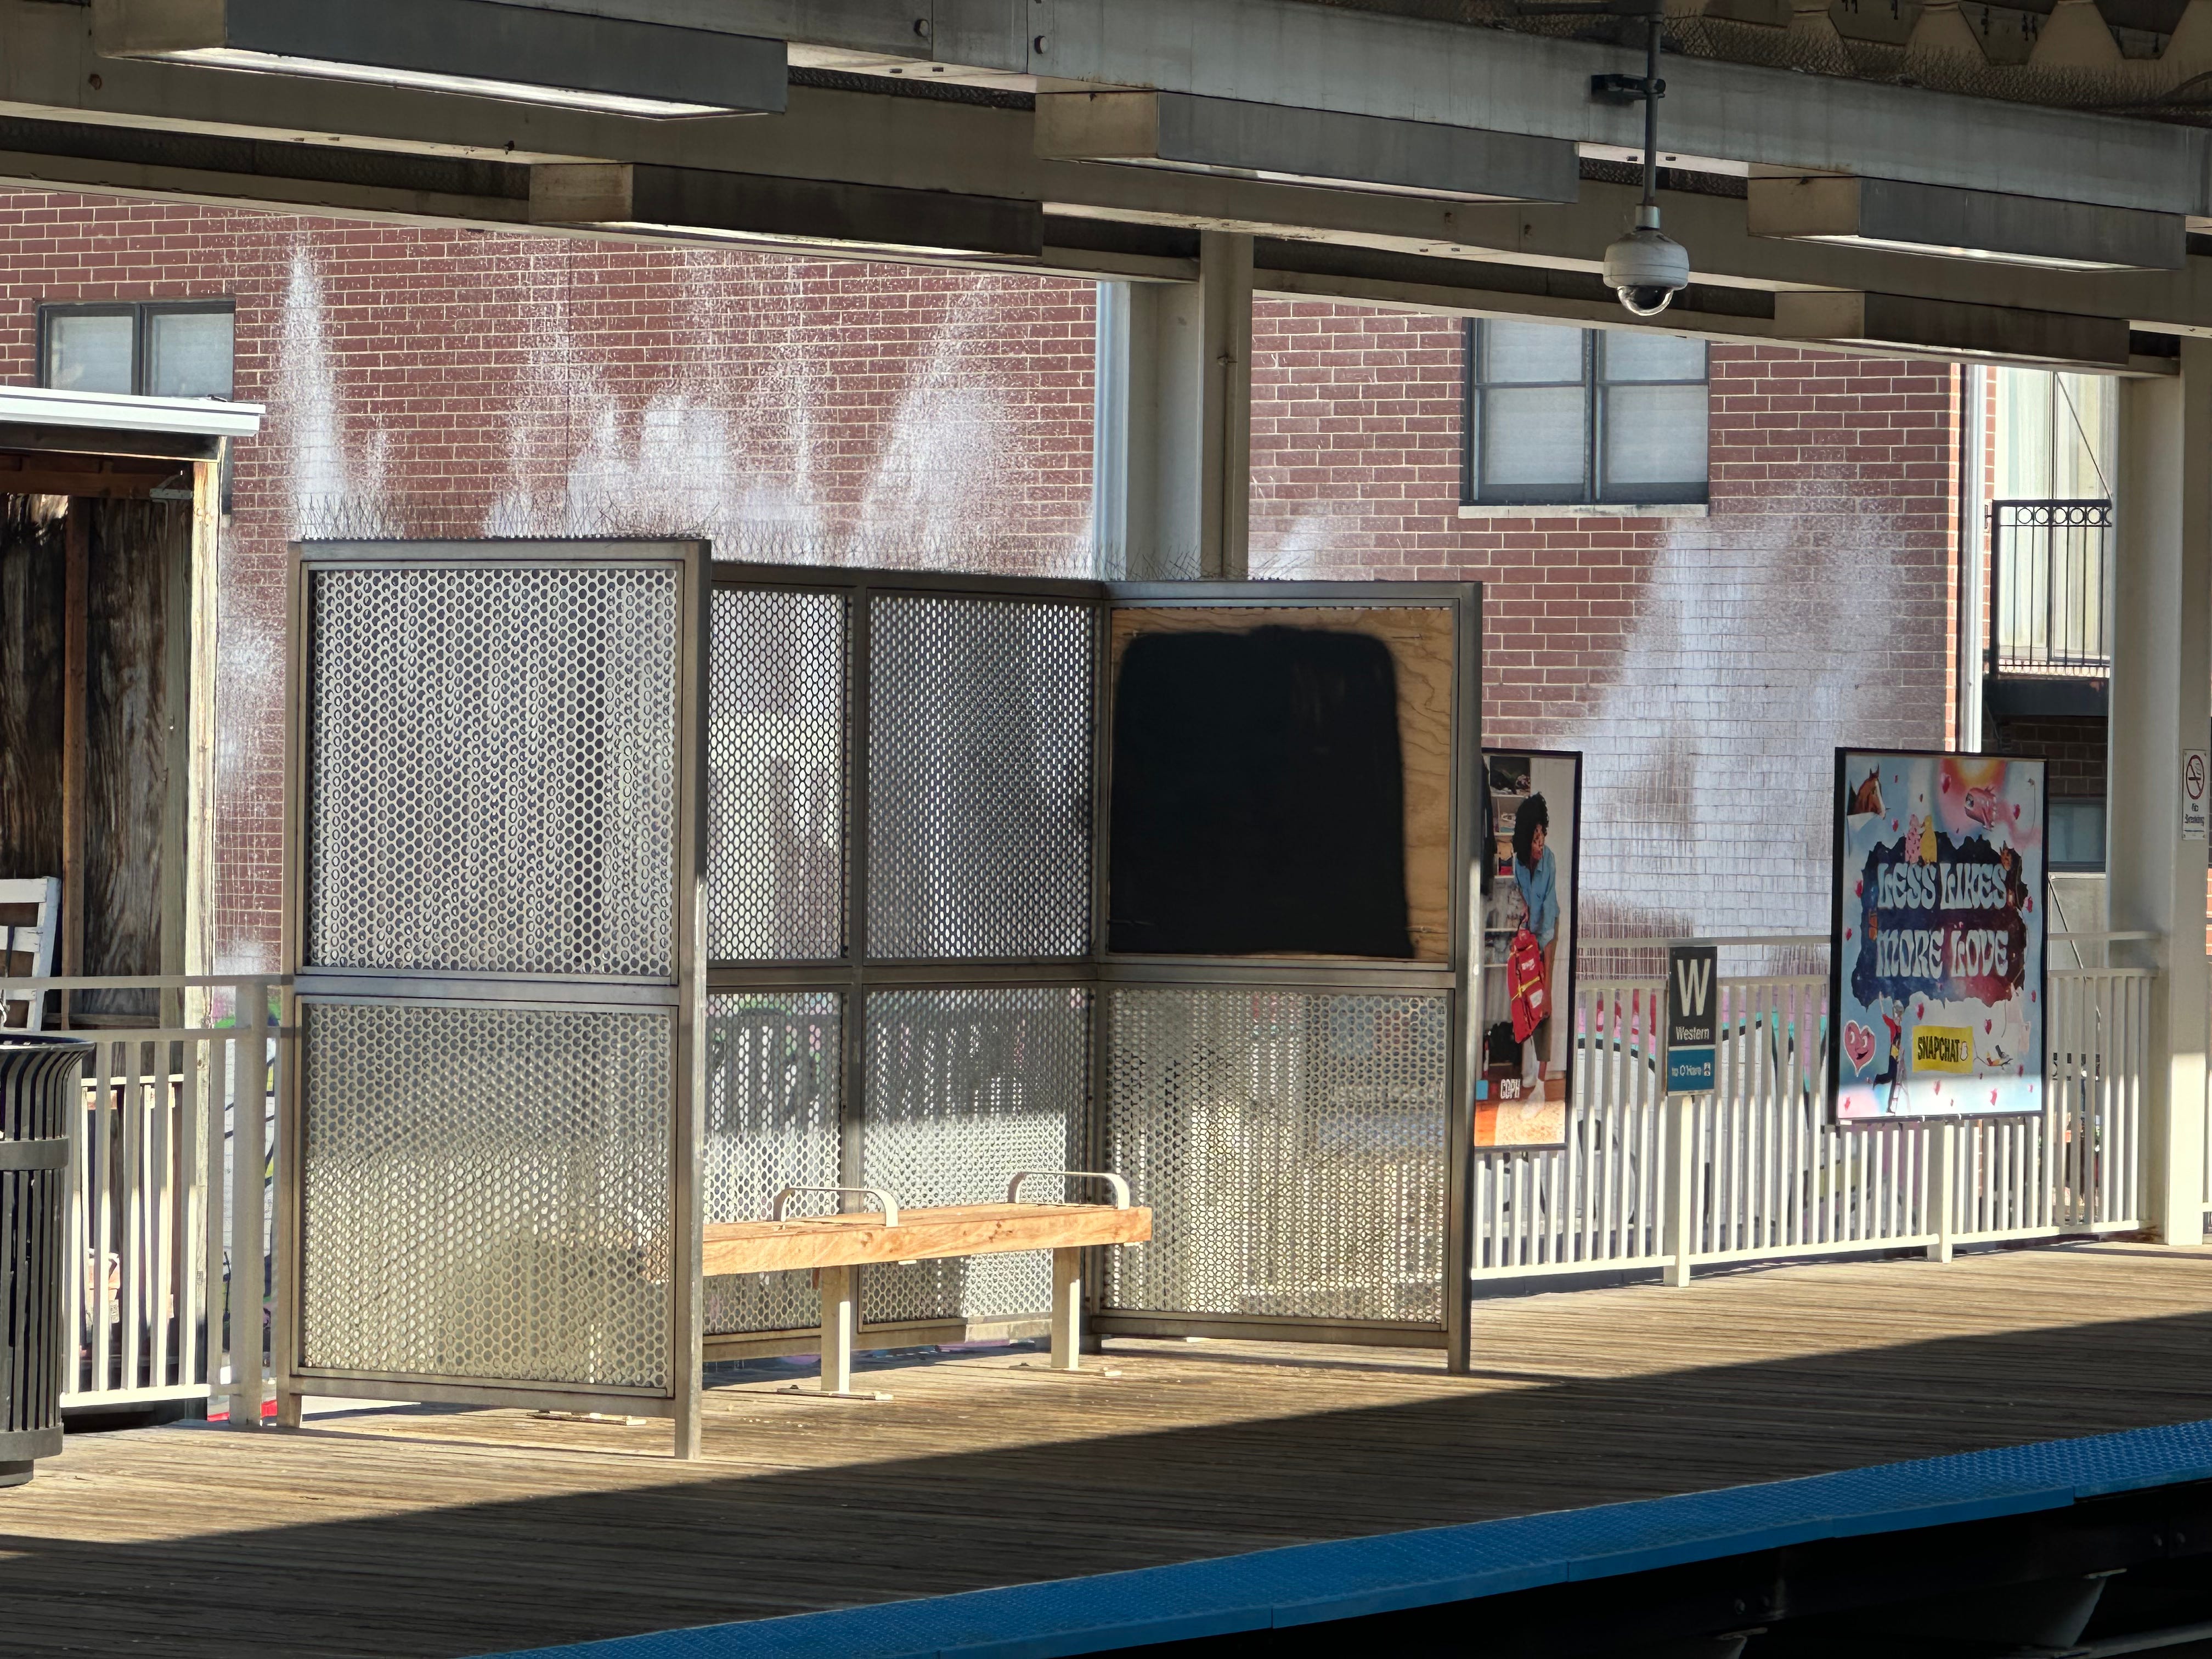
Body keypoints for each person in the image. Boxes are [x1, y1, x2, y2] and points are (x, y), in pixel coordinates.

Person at [1512, 793, 1558, 1087]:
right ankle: (1529, 1068)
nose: (1540, 845)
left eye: (1543, 837)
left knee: (1544, 1005)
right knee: (1527, 998)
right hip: (1529, 932)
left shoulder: (1549, 861)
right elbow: (1519, 890)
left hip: (1547, 934)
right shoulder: (1518, 863)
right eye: (1535, 839)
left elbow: (1550, 928)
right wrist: (1524, 906)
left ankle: (1541, 1082)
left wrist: (1549, 988)